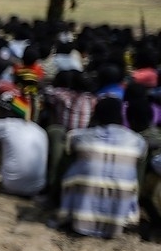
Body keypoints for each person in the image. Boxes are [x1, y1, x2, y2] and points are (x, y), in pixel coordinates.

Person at [55, 97, 147, 238]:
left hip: (80, 221)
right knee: (134, 164)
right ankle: (131, 212)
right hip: (118, 222)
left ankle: (60, 202)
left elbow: (69, 144)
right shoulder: (138, 141)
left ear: (96, 115)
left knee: (71, 156)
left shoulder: (79, 136)